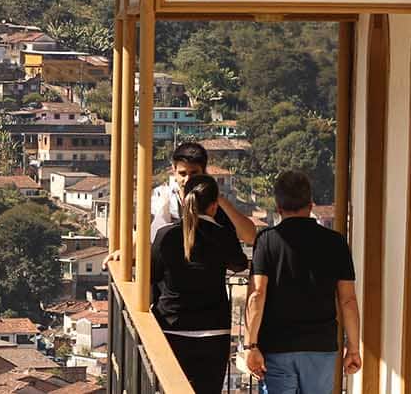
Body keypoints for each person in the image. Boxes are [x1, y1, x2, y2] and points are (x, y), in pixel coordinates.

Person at [244, 171, 361, 394]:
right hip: (321, 347)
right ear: (311, 204)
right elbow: (348, 300)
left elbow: (257, 294)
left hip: (277, 347)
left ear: (278, 207)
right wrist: (353, 347)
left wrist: (252, 345)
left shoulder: (267, 240)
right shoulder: (336, 243)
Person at [152, 174, 250, 394]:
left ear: (184, 198)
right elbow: (239, 263)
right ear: (214, 206)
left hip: (172, 325)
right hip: (214, 329)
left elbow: (153, 275)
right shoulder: (221, 234)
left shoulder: (165, 235)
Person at [151, 142, 257, 245]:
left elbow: (250, 237)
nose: (187, 179)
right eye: (182, 174)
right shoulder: (161, 199)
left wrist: (216, 197)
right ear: (174, 171)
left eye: (194, 173)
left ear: (204, 172)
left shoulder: (214, 204)